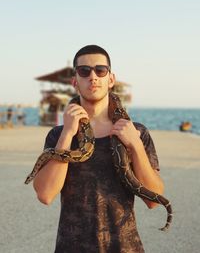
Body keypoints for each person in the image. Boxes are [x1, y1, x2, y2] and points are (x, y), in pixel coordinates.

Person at [33, 45, 164, 253]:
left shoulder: (136, 132)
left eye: (100, 70)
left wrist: (136, 145)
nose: (93, 76)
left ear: (110, 79)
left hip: (125, 247)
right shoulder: (58, 136)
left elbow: (154, 199)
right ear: (75, 81)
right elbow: (45, 195)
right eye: (84, 71)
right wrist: (68, 133)